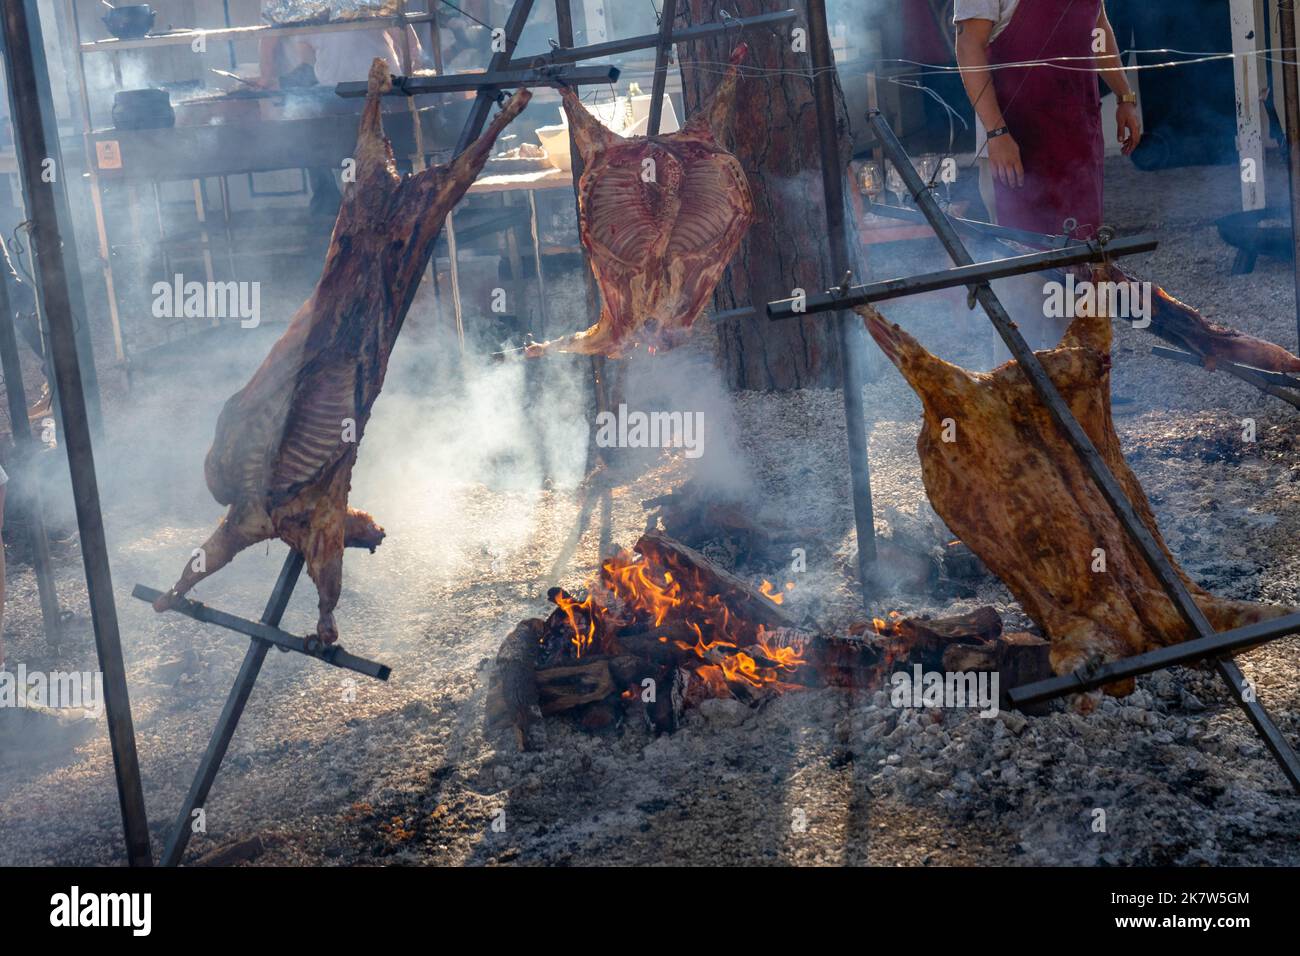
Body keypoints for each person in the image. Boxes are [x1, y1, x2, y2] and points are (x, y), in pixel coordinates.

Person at [954, 0, 1141, 356]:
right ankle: (1020, 398)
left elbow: (1096, 23)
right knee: (1023, 289)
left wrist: (1124, 95)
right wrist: (996, 133)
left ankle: (1075, 393)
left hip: (1077, 147)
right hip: (1017, 149)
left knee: (1079, 284)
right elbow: (968, 45)